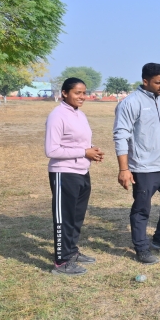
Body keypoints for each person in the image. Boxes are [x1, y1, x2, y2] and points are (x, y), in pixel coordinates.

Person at [113, 63, 160, 265]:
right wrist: (124, 168)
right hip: (144, 167)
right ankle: (141, 248)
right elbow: (121, 136)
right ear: (145, 81)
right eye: (158, 82)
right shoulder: (130, 103)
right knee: (142, 208)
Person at [45, 78, 104, 275]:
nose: (82, 97)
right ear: (64, 93)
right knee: (64, 219)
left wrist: (92, 151)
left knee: (76, 216)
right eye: (77, 93)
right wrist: (84, 152)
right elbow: (51, 150)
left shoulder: (80, 114)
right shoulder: (57, 116)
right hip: (64, 172)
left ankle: (71, 252)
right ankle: (61, 262)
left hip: (81, 171)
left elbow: (77, 142)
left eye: (84, 93)